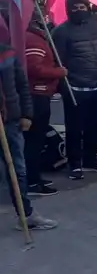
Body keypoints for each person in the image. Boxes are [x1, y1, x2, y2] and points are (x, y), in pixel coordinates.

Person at [52, 0, 97, 180]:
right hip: (76, 89)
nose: (79, 11)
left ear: (88, 7)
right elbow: (58, 63)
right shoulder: (61, 32)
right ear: (68, 10)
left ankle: (91, 159)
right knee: (74, 128)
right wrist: (65, 88)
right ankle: (75, 164)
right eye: (75, 8)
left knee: (96, 126)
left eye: (82, 7)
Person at [0, 40, 58, 230]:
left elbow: (22, 86)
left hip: (11, 122)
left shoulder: (8, 54)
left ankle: (26, 214)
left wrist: (26, 114)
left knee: (18, 170)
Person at [24, 13, 68, 196]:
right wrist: (58, 72)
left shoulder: (34, 37)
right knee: (34, 141)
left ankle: (33, 178)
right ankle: (32, 182)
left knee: (34, 140)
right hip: (36, 95)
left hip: (39, 94)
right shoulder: (32, 40)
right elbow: (34, 68)